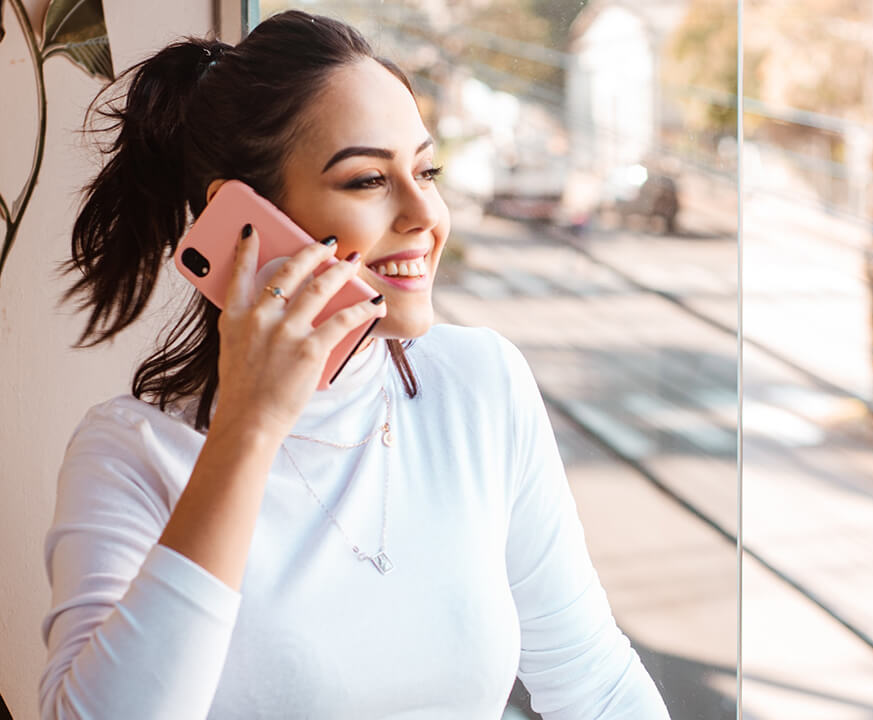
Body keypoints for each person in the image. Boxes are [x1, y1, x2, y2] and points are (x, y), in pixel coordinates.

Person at [39, 10, 670, 719]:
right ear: (244, 218)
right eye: (369, 180)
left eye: (425, 170)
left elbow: (596, 682)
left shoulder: (481, 384)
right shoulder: (131, 454)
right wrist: (248, 431)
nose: (424, 212)